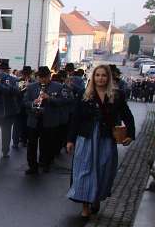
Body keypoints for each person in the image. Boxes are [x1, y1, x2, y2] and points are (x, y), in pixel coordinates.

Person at [67, 65, 135, 218]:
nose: (100, 78)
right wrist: (70, 140)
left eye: (104, 75)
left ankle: (95, 197)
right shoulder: (85, 95)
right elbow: (75, 118)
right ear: (93, 77)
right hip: (86, 138)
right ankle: (85, 205)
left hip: (106, 138)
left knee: (103, 169)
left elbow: (127, 115)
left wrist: (130, 134)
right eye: (97, 75)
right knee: (84, 171)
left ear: (108, 77)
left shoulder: (117, 95)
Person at [23, 67, 65, 175]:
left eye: (44, 77)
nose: (42, 80)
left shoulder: (58, 87)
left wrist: (49, 98)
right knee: (31, 144)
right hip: (34, 119)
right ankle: (32, 166)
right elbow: (25, 101)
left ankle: (45, 163)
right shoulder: (31, 87)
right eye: (40, 77)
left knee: (46, 144)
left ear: (49, 76)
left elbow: (62, 102)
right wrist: (33, 103)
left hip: (49, 120)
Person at [0, 59, 17, 158]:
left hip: (8, 110)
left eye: (3, 70)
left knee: (6, 132)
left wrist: (1, 84)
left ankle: (5, 150)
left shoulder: (13, 80)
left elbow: (15, 91)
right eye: (1, 70)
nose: (2, 72)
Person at [12, 66, 33, 148]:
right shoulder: (19, 81)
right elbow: (18, 93)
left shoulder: (33, 82)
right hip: (19, 106)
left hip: (28, 107)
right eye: (25, 74)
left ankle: (24, 140)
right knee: (17, 125)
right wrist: (25, 87)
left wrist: (29, 86)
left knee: (26, 125)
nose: (26, 76)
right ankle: (15, 142)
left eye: (28, 74)